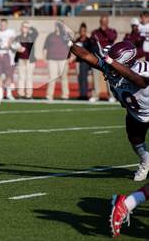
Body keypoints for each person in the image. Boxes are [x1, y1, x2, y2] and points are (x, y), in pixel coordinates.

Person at [59, 22, 149, 182]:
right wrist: (69, 43)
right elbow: (86, 56)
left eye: (115, 61)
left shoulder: (142, 69)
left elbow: (139, 81)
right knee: (135, 139)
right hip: (136, 114)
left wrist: (111, 62)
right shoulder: (111, 67)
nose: (110, 66)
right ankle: (145, 161)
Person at [89, 15, 117, 102]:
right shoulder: (95, 32)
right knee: (96, 76)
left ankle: (112, 96)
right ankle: (96, 95)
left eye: (105, 21)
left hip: (108, 58)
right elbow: (92, 42)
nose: (103, 23)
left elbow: (112, 38)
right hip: (98, 58)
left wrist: (104, 31)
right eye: (102, 21)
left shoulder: (112, 31)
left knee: (109, 77)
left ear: (107, 22)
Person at [0, 19, 17, 100]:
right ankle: (0, 94)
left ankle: (9, 94)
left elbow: (12, 40)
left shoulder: (11, 32)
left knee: (8, 75)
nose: (2, 26)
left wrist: (9, 43)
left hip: (7, 54)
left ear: (7, 25)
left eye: (4, 24)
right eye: (1, 24)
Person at [43, 23, 70, 100]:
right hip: (52, 60)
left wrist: (71, 58)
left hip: (63, 60)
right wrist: (44, 58)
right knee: (52, 78)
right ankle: (49, 95)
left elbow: (71, 47)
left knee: (64, 78)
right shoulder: (50, 36)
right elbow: (45, 47)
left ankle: (65, 95)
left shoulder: (66, 36)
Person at [13, 22, 38, 99]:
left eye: (26, 27)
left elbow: (36, 32)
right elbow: (14, 46)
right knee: (21, 77)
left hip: (30, 60)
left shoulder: (31, 36)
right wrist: (17, 49)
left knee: (29, 77)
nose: (25, 28)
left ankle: (29, 94)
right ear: (21, 28)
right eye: (24, 26)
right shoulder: (18, 37)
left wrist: (30, 27)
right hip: (21, 59)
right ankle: (20, 94)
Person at [72, 23, 92, 100]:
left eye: (84, 30)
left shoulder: (88, 40)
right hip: (78, 61)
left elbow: (90, 52)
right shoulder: (77, 40)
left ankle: (84, 95)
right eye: (81, 31)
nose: (82, 32)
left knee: (84, 78)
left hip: (85, 61)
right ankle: (81, 93)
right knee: (79, 78)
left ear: (85, 31)